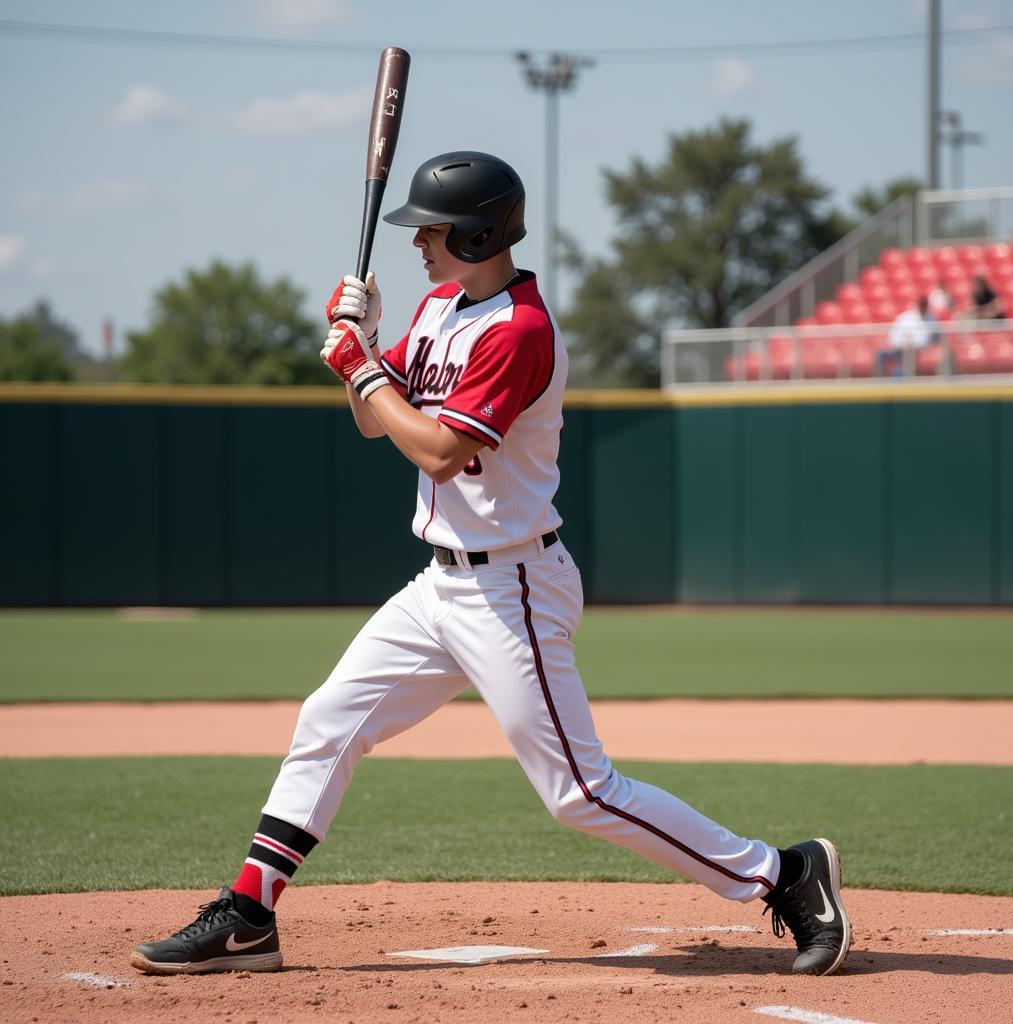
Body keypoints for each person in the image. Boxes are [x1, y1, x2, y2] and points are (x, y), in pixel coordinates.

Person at [129, 151, 851, 979]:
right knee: (329, 718)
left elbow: (436, 450)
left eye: (430, 229)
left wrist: (360, 366)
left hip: (511, 587)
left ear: (477, 231)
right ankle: (251, 914)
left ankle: (785, 874)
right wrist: (361, 346)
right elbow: (379, 423)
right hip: (437, 584)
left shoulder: (522, 330)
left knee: (579, 792)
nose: (418, 244)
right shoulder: (439, 307)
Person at [875, 295, 936, 376]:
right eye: (921, 305)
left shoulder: (930, 320)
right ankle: (880, 381)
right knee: (881, 354)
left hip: (916, 351)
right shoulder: (906, 317)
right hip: (899, 349)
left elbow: (926, 340)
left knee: (906, 361)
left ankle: (905, 377)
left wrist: (911, 345)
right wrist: (901, 344)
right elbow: (894, 334)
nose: (922, 307)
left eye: (924, 305)